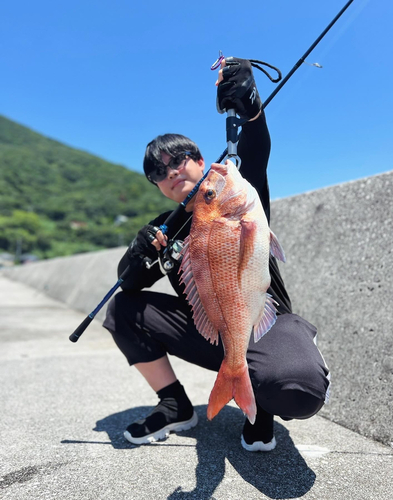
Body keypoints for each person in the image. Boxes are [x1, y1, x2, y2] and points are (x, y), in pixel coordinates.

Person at [103, 57, 330, 452]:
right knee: (123, 309)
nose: (171, 172)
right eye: (159, 172)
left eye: (178, 160)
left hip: (263, 323)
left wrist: (249, 103)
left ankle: (261, 406)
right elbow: (131, 281)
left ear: (200, 160)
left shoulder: (234, 192)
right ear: (157, 186)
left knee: (300, 388)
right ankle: (175, 405)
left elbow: (255, 149)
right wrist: (138, 253)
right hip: (209, 330)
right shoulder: (165, 227)